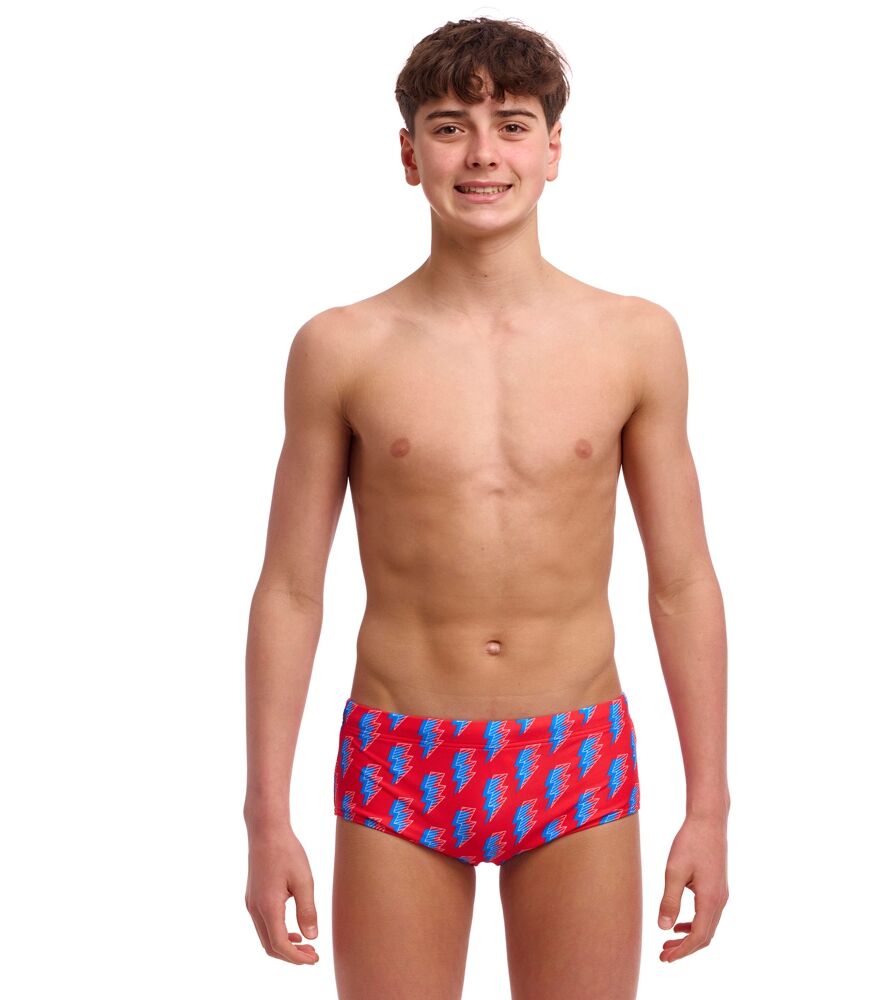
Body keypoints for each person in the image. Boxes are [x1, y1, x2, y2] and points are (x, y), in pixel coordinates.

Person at [243, 15, 729, 999]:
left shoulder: (634, 339)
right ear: (408, 154)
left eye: (511, 125)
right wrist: (265, 817)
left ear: (553, 148)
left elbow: (681, 583)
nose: (480, 154)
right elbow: (290, 590)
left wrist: (710, 807)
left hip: (574, 750)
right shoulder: (341, 347)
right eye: (448, 126)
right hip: (400, 753)